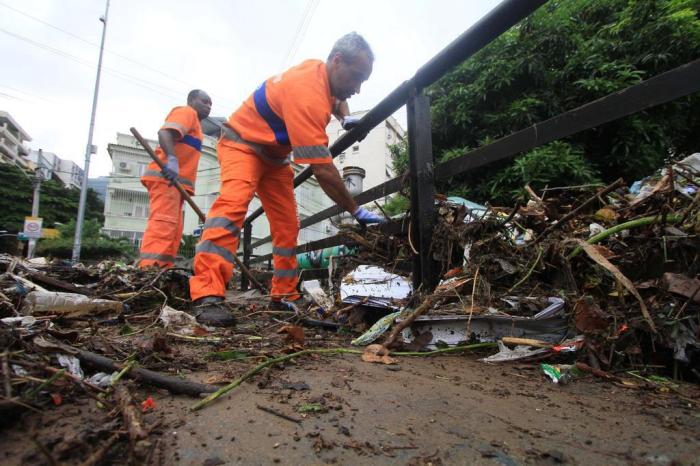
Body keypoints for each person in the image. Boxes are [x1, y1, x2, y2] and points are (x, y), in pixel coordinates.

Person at [189, 32, 384, 327]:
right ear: (337, 61)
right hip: (241, 144)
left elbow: (337, 98)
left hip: (276, 158)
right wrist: (356, 210)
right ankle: (206, 293)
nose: (357, 88)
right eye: (356, 78)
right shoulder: (306, 94)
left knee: (287, 224)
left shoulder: (325, 76)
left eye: (362, 82)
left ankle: (284, 295)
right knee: (232, 206)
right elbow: (324, 172)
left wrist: (345, 119)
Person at [138, 90, 212, 269]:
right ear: (192, 101)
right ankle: (150, 268)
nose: (208, 107)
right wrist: (171, 159)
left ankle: (163, 268)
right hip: (166, 179)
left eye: (211, 104)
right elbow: (165, 133)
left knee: (174, 228)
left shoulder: (197, 127)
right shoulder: (187, 112)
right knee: (164, 223)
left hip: (175, 184)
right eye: (204, 102)